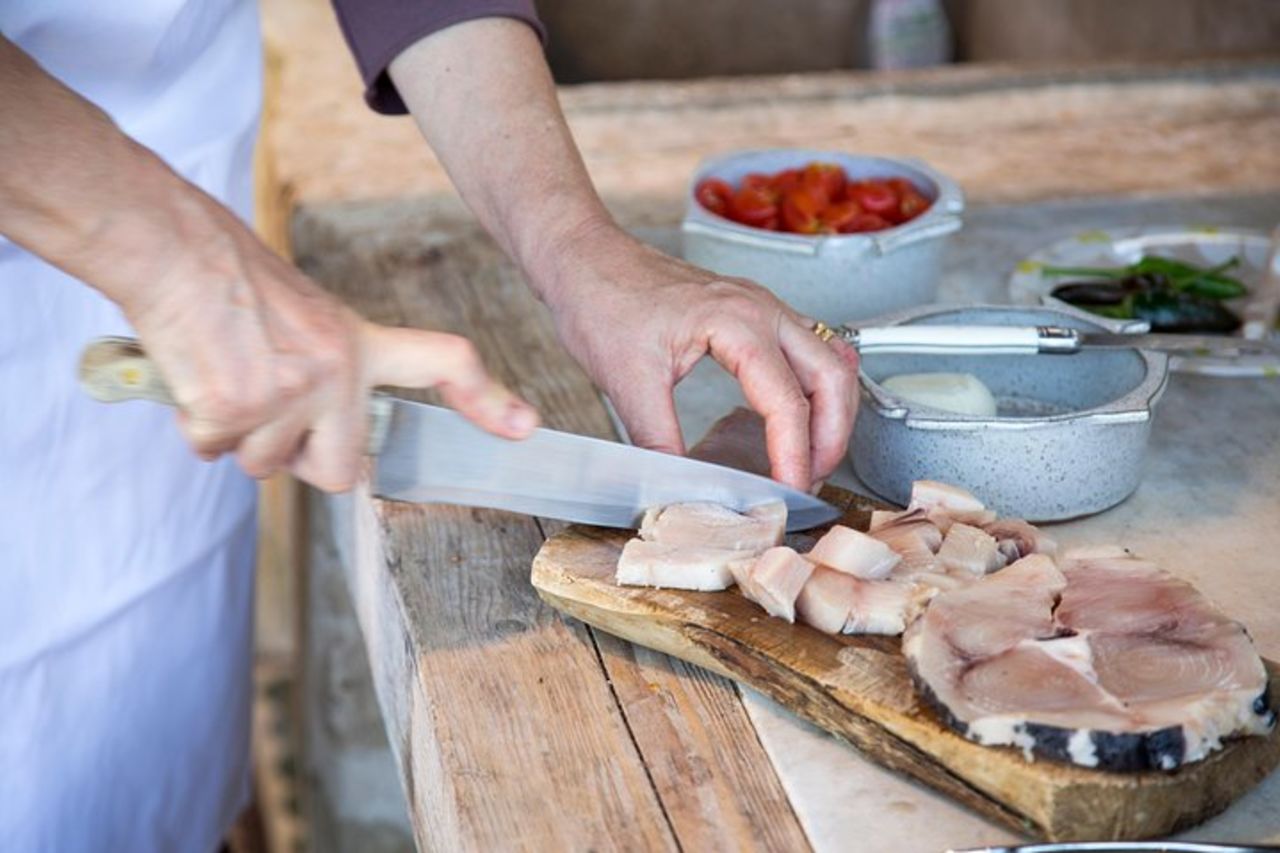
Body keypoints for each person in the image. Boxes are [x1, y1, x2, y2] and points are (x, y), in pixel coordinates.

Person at [0, 2, 858, 849]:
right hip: (106, 283)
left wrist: (578, 249)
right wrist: (172, 258)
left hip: (185, 337)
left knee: (158, 781)